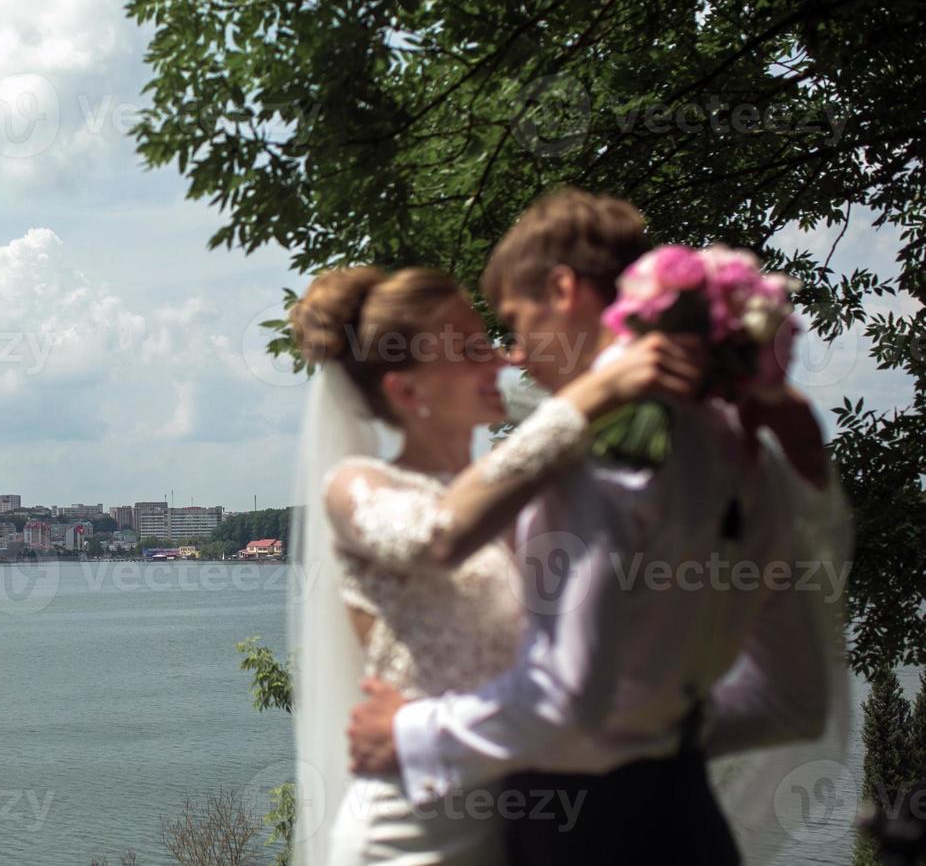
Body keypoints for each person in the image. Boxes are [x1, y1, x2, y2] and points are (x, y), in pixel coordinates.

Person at [340, 189, 850, 866]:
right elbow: (794, 700)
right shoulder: (745, 440)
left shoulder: (596, 458)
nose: (515, 354)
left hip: (582, 835)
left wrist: (410, 733)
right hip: (692, 830)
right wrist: (659, 736)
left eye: (517, 320)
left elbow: (564, 700)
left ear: (563, 289)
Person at [288, 255, 705, 865]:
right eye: (470, 350)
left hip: (514, 821)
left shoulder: (515, 495)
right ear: (407, 391)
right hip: (411, 834)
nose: (503, 359)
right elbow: (436, 535)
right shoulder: (355, 488)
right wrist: (592, 395)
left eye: (489, 341)